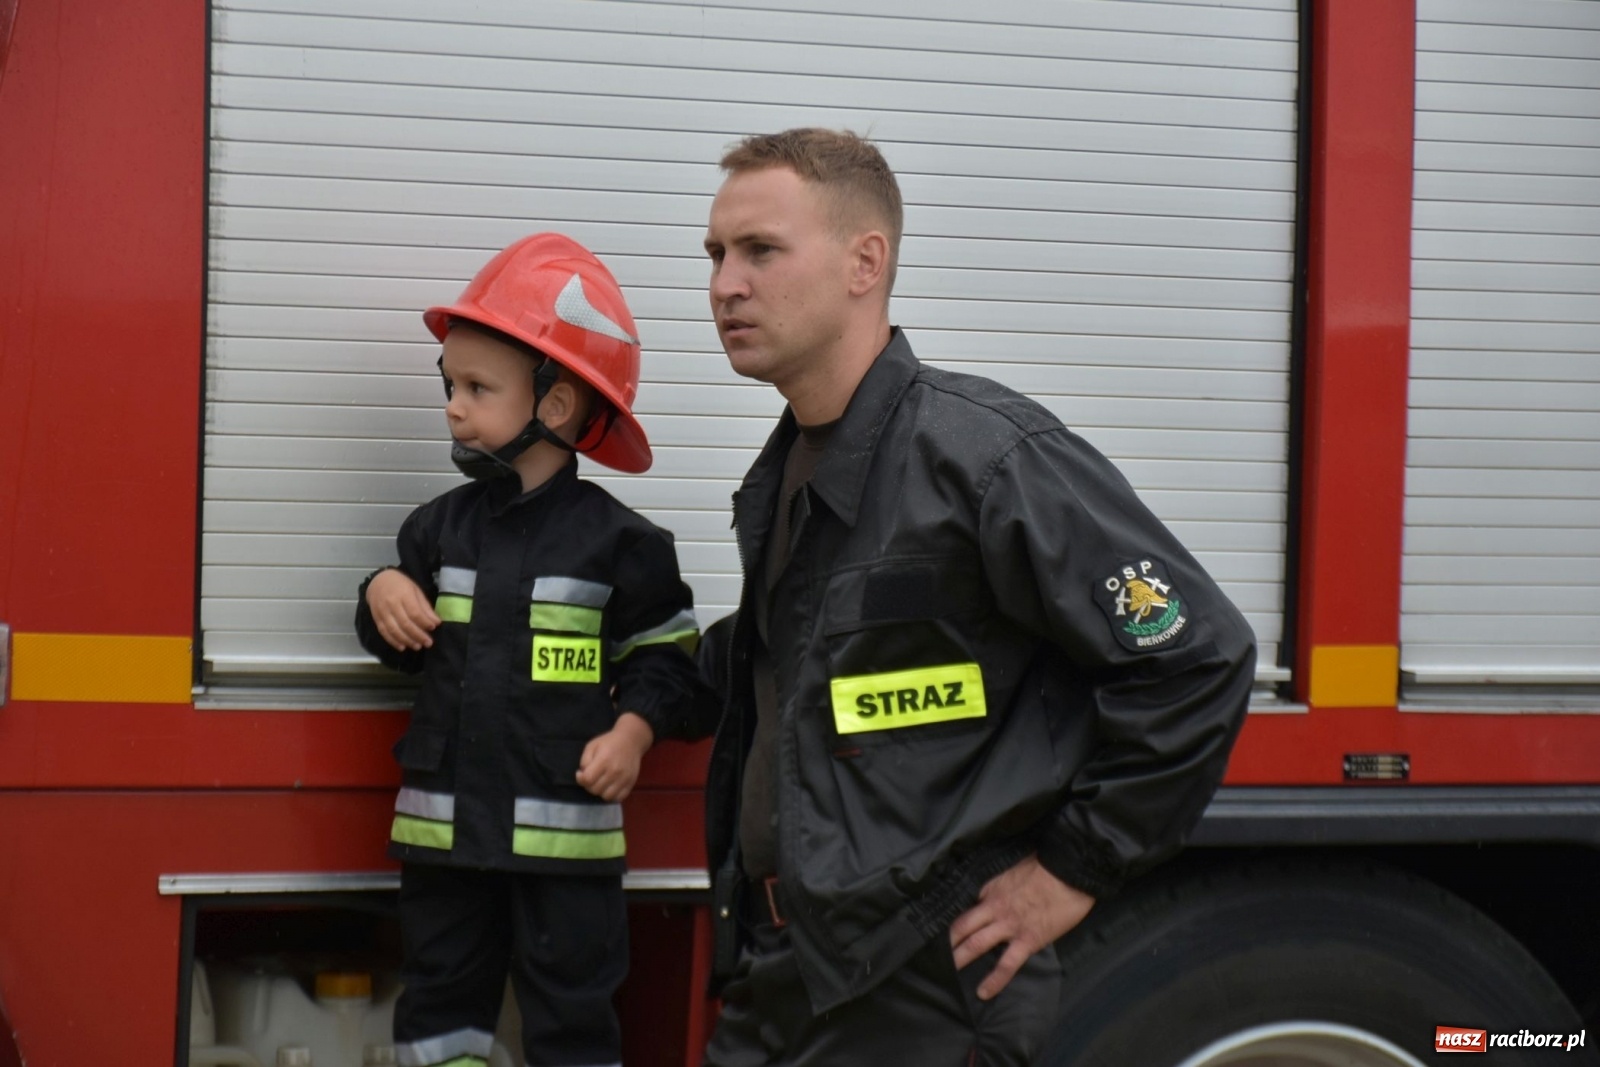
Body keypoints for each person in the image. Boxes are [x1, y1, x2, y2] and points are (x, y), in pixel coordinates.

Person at [697, 128, 1258, 1065]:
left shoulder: (986, 459)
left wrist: (1073, 868)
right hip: (793, 966)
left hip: (925, 979)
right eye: (715, 255)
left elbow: (1196, 657)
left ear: (863, 262)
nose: (724, 284)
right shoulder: (789, 473)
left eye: (760, 250)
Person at [354, 233, 713, 1067]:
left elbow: (671, 666)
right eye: (450, 384)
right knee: (439, 1013)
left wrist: (634, 733)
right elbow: (399, 645)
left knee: (573, 1023)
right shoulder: (434, 531)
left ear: (555, 405)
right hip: (445, 848)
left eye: (478, 386)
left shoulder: (624, 546)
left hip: (566, 861)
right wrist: (382, 592)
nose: (453, 404)